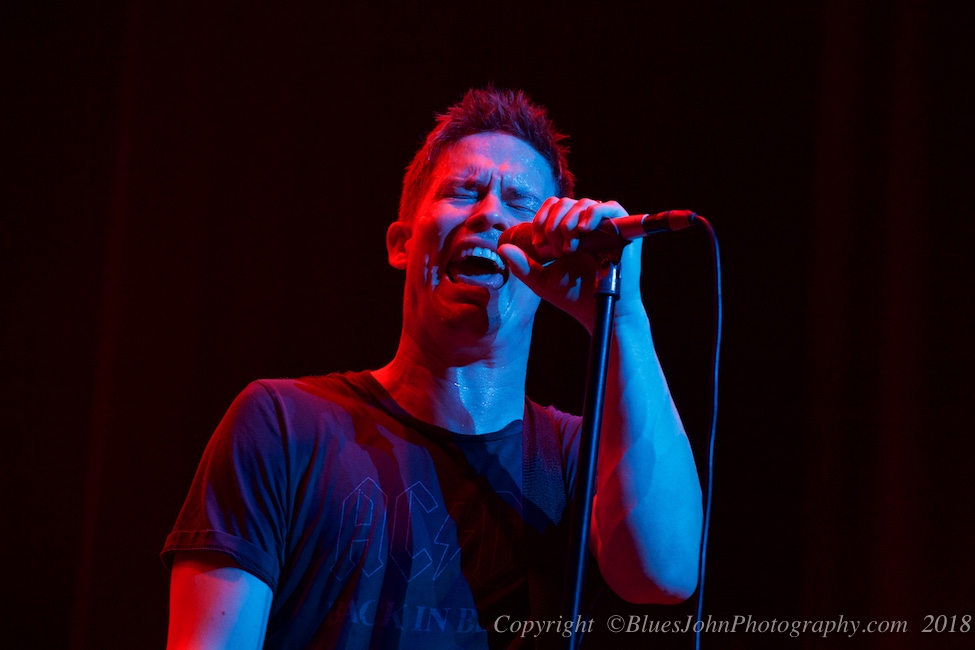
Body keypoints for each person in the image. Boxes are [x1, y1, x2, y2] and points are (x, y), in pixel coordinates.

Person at [162, 87, 703, 649]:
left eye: (521, 204)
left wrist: (619, 317)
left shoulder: (575, 458)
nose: (491, 213)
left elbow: (663, 576)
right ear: (401, 242)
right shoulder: (283, 426)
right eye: (464, 192)